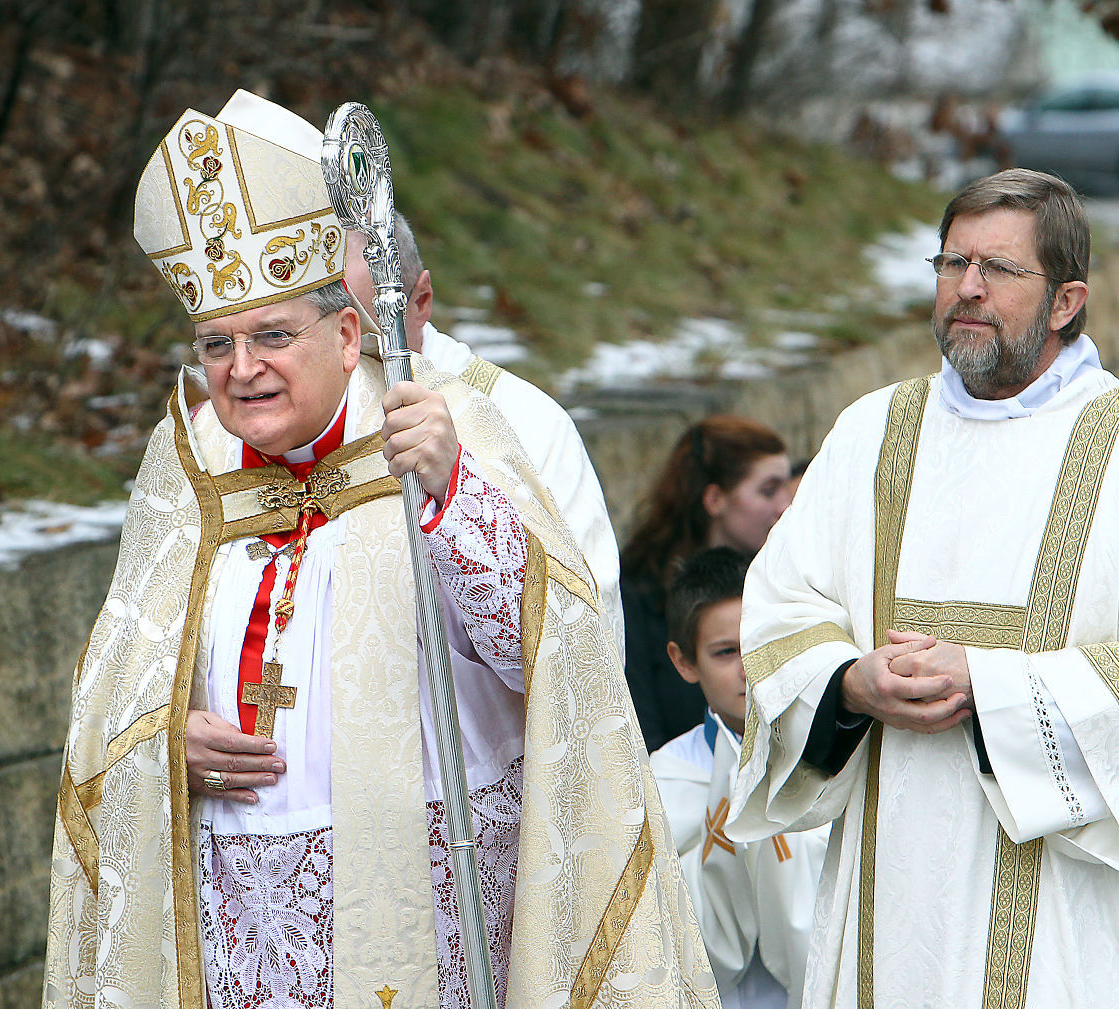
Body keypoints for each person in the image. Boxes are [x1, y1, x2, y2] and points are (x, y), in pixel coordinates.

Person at [43, 90, 716, 1009]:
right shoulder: (188, 465)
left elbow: (557, 662)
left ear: (349, 331)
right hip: (231, 921)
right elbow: (113, 681)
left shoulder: (445, 433)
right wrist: (164, 741)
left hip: (429, 907)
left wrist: (450, 497)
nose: (242, 369)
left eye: (273, 335)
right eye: (217, 343)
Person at [728, 169, 1119, 1007]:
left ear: (1066, 300)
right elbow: (782, 605)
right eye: (951, 261)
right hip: (888, 913)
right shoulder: (871, 436)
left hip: (1074, 935)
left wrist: (989, 686)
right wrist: (849, 681)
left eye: (997, 269)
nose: (965, 287)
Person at [342, 214, 624, 651]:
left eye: (364, 333)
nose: (345, 353)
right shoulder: (279, 426)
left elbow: (588, 637)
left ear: (421, 301)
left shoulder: (530, 424)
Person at [650, 548, 827, 1009]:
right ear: (685, 662)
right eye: (726, 652)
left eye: (758, 643)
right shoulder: (662, 779)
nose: (748, 669)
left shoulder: (831, 753)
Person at [623, 417, 792, 751]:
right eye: (768, 490)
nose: (784, 506)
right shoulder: (637, 599)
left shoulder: (786, 579)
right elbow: (636, 733)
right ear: (714, 499)